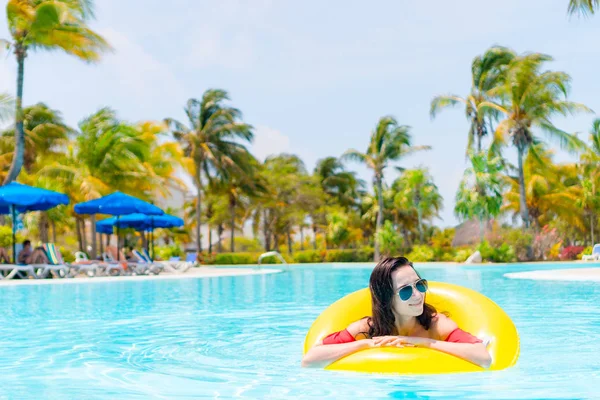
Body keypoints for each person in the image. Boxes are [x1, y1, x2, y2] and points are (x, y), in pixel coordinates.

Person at [301, 256, 492, 369]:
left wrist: (424, 343)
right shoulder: (367, 328)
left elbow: (483, 357)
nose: (418, 295)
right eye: (406, 290)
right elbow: (309, 360)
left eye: (420, 285)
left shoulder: (435, 325)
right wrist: (365, 344)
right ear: (386, 298)